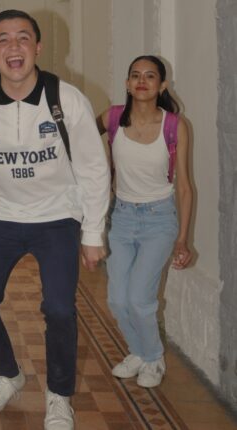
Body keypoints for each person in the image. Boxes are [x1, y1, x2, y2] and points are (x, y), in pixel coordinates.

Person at [0, 10, 110, 430]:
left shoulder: (66, 99)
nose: (14, 46)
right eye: (3, 39)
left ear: (38, 47)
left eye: (23, 37)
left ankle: (59, 396)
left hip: (58, 216)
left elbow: (94, 168)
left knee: (59, 309)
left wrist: (93, 232)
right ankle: (8, 375)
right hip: (2, 215)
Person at [98, 55, 192, 388]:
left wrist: (182, 239)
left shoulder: (174, 125)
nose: (142, 81)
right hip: (121, 218)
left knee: (139, 298)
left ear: (162, 85)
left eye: (150, 76)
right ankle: (138, 352)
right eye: (135, 75)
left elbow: (184, 187)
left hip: (159, 219)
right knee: (117, 299)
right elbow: (79, 139)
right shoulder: (111, 118)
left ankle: (154, 358)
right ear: (127, 83)